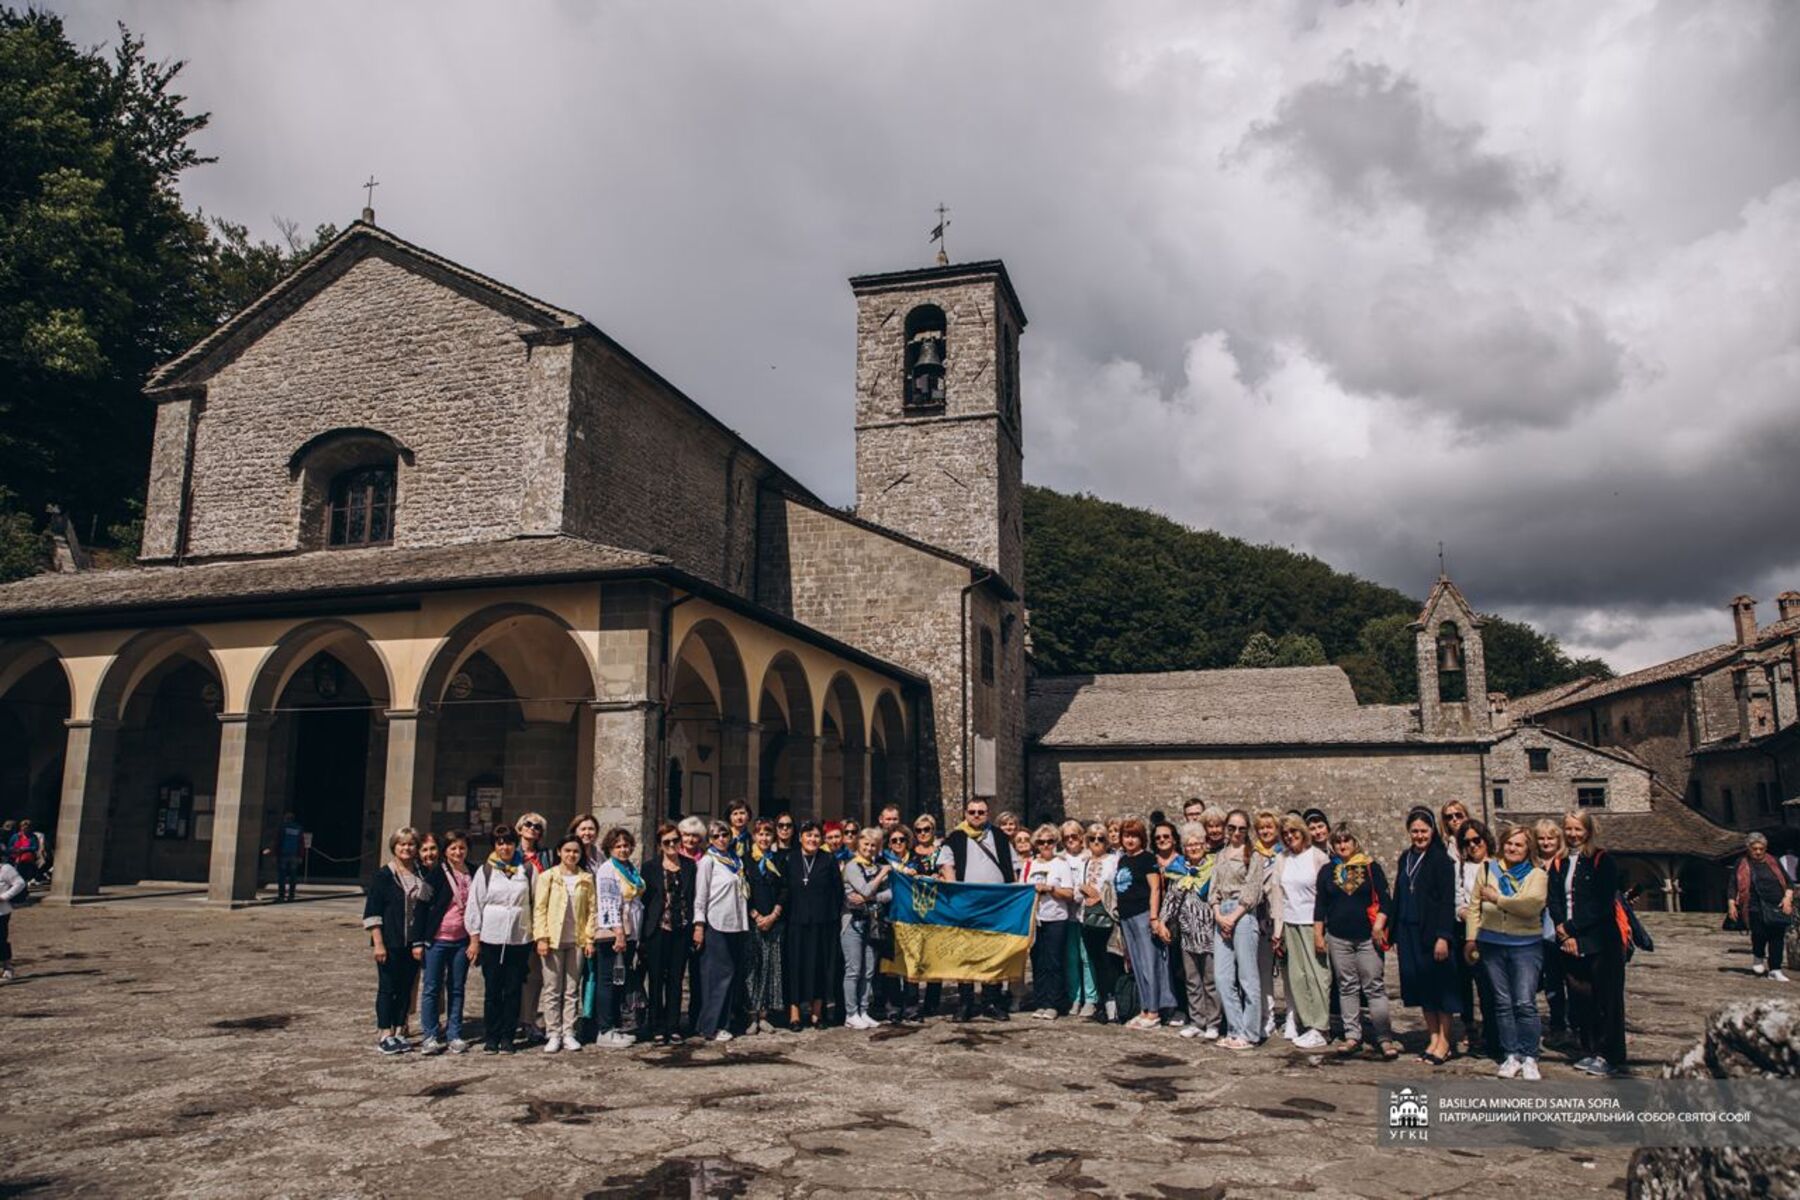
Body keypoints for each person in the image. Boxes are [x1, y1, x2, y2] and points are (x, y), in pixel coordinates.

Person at [1548, 811, 1627, 1076]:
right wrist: (1563, 932)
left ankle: (1610, 1053)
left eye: (1578, 829)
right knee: (1582, 999)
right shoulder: (1559, 863)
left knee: (1607, 999)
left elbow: (1602, 904)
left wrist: (1571, 928)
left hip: (1601, 941)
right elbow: (1555, 900)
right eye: (1568, 829)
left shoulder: (1602, 861)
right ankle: (1590, 1049)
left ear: (1588, 831)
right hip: (1570, 941)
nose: (1572, 834)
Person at [1468, 823, 1549, 1080]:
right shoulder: (1487, 869)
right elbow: (1474, 906)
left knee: (1524, 1002)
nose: (1513, 848)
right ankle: (1510, 1054)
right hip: (1492, 943)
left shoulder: (1538, 875)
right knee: (1501, 1003)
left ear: (1528, 849)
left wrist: (1498, 899)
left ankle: (1530, 1056)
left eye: (1519, 844)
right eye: (1510, 843)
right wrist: (1471, 939)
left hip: (1525, 945)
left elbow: (1530, 907)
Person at [1313, 824, 1398, 1059]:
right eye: (1338, 841)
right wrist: (1318, 934)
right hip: (1338, 937)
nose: (1342, 845)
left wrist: (1379, 925)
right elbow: (1320, 905)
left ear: (1355, 842)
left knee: (1374, 986)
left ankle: (1383, 1037)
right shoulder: (1327, 871)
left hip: (1367, 937)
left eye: (1347, 840)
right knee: (1346, 986)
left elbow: (1385, 900)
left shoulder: (1371, 868)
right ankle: (1352, 1035)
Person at [938, 799, 1016, 1021]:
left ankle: (991, 1001)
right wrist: (956, 896)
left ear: (988, 814)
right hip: (967, 904)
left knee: (993, 952)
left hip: (996, 904)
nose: (976, 815)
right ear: (965, 813)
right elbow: (947, 866)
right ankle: (965, 1002)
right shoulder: (955, 838)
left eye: (981, 812)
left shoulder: (1000, 837)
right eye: (972, 812)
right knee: (967, 953)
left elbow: (1014, 866)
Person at [1394, 806, 1459, 1064]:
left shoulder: (1441, 861)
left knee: (1440, 989)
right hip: (1408, 931)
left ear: (1433, 830)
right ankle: (1432, 1037)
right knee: (1423, 989)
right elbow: (1400, 892)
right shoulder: (1405, 858)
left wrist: (1444, 936)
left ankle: (1445, 1041)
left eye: (1424, 831)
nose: (1419, 836)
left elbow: (1447, 902)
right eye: (1415, 831)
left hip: (1432, 932)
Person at [362, 826, 430, 1055]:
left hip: (413, 942)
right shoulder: (384, 876)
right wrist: (378, 943)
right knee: (387, 987)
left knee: (405, 987)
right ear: (394, 847)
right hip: (390, 941)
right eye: (402, 844)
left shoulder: (422, 874)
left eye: (411, 844)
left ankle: (400, 1029)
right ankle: (384, 1032)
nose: (406, 848)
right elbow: (373, 911)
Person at [467, 825, 535, 1054]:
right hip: (492, 937)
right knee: (493, 990)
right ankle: (492, 1036)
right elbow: (475, 905)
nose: (504, 847)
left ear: (515, 844)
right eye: (500, 843)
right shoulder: (486, 871)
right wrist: (474, 938)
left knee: (514, 989)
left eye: (508, 842)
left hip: (519, 936)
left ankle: (508, 1037)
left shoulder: (526, 869)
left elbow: (535, 902)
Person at [411, 829, 475, 1054]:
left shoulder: (474, 872)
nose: (458, 852)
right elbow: (421, 908)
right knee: (431, 988)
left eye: (462, 848)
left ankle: (454, 1033)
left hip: (462, 940)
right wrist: (417, 941)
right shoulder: (435, 875)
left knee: (457, 988)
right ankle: (429, 1034)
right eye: (453, 848)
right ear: (445, 851)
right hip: (437, 940)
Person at [1270, 816, 1331, 1049]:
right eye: (1285, 833)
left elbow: (1325, 896)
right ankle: (1308, 1024)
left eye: (1293, 831)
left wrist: (1321, 929)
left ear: (1303, 832)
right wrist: (1278, 930)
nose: (1289, 836)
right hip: (1290, 923)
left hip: (1312, 923)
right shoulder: (1282, 859)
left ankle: (1321, 1026)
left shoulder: (1318, 857)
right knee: (1297, 977)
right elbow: (1278, 896)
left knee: (1318, 976)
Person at [1210, 809, 1269, 1048]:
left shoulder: (1254, 856)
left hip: (1242, 914)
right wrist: (1218, 914)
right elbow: (1213, 889)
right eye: (1231, 828)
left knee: (1247, 976)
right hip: (1221, 911)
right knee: (1222, 976)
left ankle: (1250, 1032)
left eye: (1241, 829)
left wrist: (1233, 917)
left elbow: (1252, 891)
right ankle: (1234, 1028)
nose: (1235, 833)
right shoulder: (1220, 855)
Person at [534, 834, 596, 1053]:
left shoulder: (586, 878)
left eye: (576, 851)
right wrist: (541, 937)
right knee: (552, 989)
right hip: (553, 939)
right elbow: (539, 909)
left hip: (576, 940)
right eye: (567, 850)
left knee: (572, 989)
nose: (571, 855)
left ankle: (569, 1031)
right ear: (559, 852)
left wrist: (589, 939)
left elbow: (591, 911)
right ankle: (553, 1032)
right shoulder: (548, 877)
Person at [694, 819, 750, 1042]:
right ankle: (711, 1025)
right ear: (710, 839)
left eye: (725, 835)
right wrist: (699, 925)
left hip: (736, 922)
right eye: (716, 836)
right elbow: (701, 895)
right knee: (717, 976)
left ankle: (723, 1022)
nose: (721, 839)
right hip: (716, 921)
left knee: (731, 974)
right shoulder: (708, 862)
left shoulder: (735, 860)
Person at [640, 822, 695, 1045]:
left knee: (675, 979)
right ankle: (656, 1025)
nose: (672, 845)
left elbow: (691, 897)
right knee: (655, 980)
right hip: (658, 929)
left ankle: (673, 1026)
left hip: (681, 929)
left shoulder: (690, 866)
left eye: (675, 840)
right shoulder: (650, 867)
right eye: (667, 842)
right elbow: (645, 901)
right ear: (660, 845)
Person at [1165, 823, 1220, 1040]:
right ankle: (1197, 1020)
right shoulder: (1179, 870)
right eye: (1189, 845)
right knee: (1192, 980)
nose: (1194, 848)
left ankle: (1214, 1023)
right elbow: (1170, 899)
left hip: (1208, 933)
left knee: (1210, 981)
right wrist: (1161, 922)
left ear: (1205, 845)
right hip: (1187, 934)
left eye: (1198, 843)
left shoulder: (1213, 868)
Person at [592, 827, 645, 1048]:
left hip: (631, 930)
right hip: (615, 933)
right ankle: (604, 1029)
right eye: (618, 846)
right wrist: (619, 934)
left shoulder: (630, 867)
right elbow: (608, 903)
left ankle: (616, 1025)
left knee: (620, 981)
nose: (623, 850)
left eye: (626, 846)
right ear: (610, 848)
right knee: (607, 980)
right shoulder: (607, 869)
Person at [1453, 819, 1501, 1059]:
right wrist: (1469, 914)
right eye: (1467, 842)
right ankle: (1476, 1036)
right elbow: (1458, 899)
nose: (1472, 845)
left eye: (1476, 840)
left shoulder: (1498, 865)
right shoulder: (1461, 869)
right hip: (1469, 933)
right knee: (1472, 986)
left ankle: (1495, 1038)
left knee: (1492, 989)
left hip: (1495, 933)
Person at [786, 821, 840, 1030]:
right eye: (808, 835)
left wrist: (831, 919)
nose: (812, 839)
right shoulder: (790, 859)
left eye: (816, 836)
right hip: (796, 923)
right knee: (796, 967)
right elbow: (785, 890)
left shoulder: (828, 860)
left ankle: (817, 1013)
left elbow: (837, 892)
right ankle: (795, 1014)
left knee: (819, 967)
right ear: (800, 838)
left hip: (822, 924)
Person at [840, 829, 893, 1029]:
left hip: (872, 923)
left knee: (869, 970)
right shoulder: (852, 866)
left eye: (873, 845)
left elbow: (889, 894)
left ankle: (863, 1009)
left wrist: (868, 897)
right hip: (853, 922)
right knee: (853, 969)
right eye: (866, 844)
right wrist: (880, 877)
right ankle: (851, 1013)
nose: (869, 848)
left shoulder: (876, 866)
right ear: (858, 845)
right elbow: (866, 889)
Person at [1023, 824, 1075, 1019]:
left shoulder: (1061, 864)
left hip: (1055, 918)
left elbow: (1069, 893)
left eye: (1050, 842)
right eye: (1041, 842)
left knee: (1054, 961)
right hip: (1035, 919)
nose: (1045, 845)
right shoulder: (1030, 864)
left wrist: (1051, 889)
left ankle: (1054, 1002)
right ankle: (1041, 1000)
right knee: (1038, 961)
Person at [1730, 831, 1795, 981]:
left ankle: (1775, 969)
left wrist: (1787, 898)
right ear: (1749, 849)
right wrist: (1731, 903)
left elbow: (1789, 883)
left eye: (1761, 849)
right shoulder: (1742, 863)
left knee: (1777, 937)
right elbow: (1733, 884)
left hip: (1776, 904)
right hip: (1754, 904)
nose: (1758, 852)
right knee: (1759, 933)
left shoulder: (1774, 861)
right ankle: (1758, 956)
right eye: (1755, 849)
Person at [1077, 822, 1123, 1022]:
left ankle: (1114, 1005)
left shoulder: (1113, 861)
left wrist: (1100, 896)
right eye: (1092, 838)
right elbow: (1078, 891)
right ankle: (1103, 1002)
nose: (1097, 842)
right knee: (1095, 961)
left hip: (1108, 918)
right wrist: (1084, 892)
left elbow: (1116, 886)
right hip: (1088, 918)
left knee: (1109, 962)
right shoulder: (1084, 862)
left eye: (1101, 838)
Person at [513, 812, 552, 1044]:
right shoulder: (508, 854)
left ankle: (528, 1020)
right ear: (519, 828)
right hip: (513, 922)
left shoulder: (545, 857)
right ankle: (510, 1019)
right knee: (511, 975)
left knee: (534, 975)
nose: (533, 829)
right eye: (528, 824)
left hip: (537, 922)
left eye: (538, 826)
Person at [747, 818, 788, 1034]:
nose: (764, 838)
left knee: (770, 968)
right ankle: (751, 1014)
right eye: (760, 834)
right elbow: (743, 890)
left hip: (774, 921)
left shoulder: (779, 860)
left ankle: (764, 1014)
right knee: (754, 968)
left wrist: (773, 915)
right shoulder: (746, 860)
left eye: (768, 834)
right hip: (754, 921)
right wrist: (756, 915)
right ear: (754, 836)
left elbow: (784, 889)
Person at [1533, 818, 1570, 1041]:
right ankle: (1557, 1024)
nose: (1546, 842)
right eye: (1541, 838)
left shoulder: (1566, 862)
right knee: (1551, 979)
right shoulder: (1532, 863)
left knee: (1571, 978)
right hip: (1538, 928)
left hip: (1563, 926)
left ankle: (1573, 1024)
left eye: (1551, 838)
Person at [1059, 820, 1099, 1017]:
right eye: (1066, 837)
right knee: (1071, 958)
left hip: (1085, 913)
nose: (1071, 841)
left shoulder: (1090, 857)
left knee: (1086, 957)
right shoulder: (1060, 859)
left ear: (1081, 837)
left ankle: (1091, 998)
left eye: (1074, 836)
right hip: (1067, 915)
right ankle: (1074, 996)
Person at [266, 812, 306, 902]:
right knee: (293, 875)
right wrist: (301, 856)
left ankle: (281, 896)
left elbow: (278, 841)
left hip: (283, 855)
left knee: (282, 876)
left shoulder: (282, 828)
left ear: (286, 819)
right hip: (294, 855)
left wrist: (274, 854)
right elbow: (301, 843)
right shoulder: (299, 828)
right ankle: (291, 895)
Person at [0, 852, 27, 981]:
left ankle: (7, 967)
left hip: (1, 911)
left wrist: (4, 897)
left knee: (0, 939)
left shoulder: (5, 869)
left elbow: (20, 883)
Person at [8, 819, 46, 886]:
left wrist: (24, 849)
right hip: (16, 857)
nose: (25, 829)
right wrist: (15, 849)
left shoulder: (33, 837)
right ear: (21, 827)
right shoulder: (15, 836)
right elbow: (10, 846)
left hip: (27, 859)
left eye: (27, 828)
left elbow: (35, 847)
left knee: (26, 874)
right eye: (23, 827)